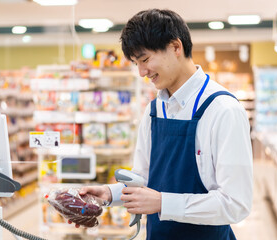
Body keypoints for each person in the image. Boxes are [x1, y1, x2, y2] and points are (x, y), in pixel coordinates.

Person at [80, 8, 253, 240]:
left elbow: (236, 204)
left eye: (145, 59)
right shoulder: (153, 110)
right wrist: (109, 194)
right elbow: (142, 181)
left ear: (175, 47)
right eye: (135, 63)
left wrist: (162, 203)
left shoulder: (223, 111)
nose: (142, 72)